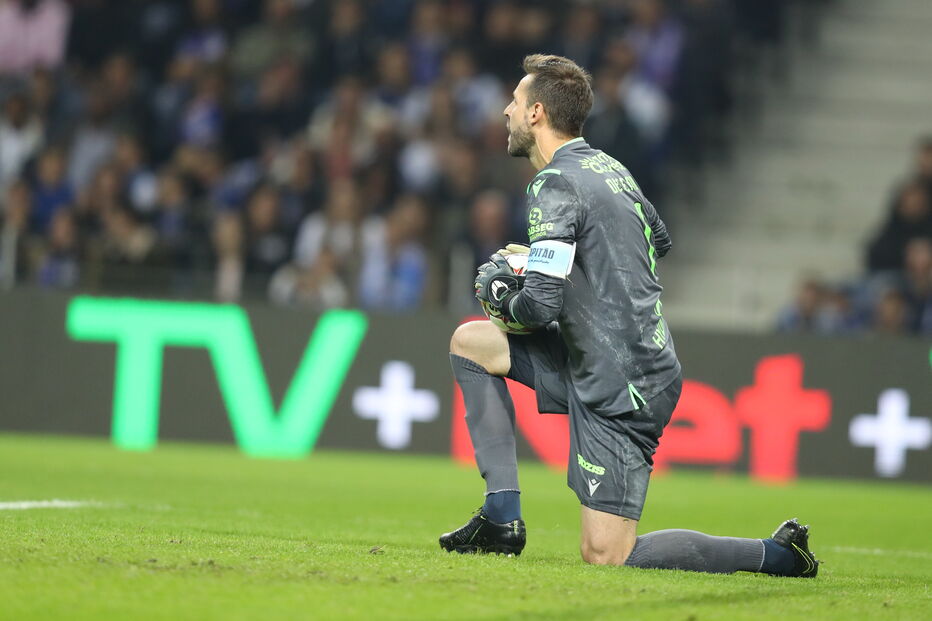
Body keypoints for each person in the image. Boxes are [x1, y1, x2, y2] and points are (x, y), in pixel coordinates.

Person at [439, 54, 819, 578]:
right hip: (599, 356)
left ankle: (775, 555)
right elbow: (656, 240)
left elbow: (540, 307)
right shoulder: (609, 167)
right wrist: (554, 263)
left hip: (623, 383)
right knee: (473, 344)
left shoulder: (552, 185)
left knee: (608, 554)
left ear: (537, 114)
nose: (505, 109)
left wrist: (507, 296)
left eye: (516, 100)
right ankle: (501, 518)